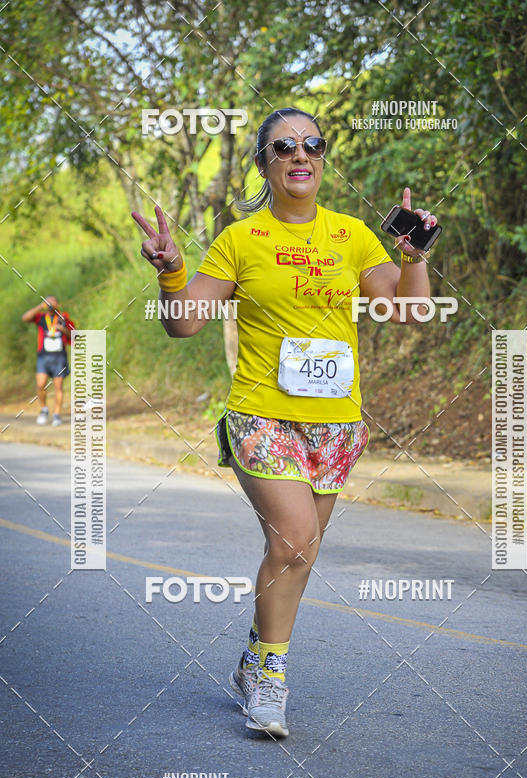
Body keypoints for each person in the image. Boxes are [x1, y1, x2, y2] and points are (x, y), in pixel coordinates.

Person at [132, 106, 438, 739]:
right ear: (265, 165)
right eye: (284, 147)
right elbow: (185, 322)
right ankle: (272, 678)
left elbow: (408, 312)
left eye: (312, 145)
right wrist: (170, 270)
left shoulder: (352, 235)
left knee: (295, 555)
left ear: (322, 159)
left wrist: (412, 256)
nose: (301, 154)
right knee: (295, 540)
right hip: (262, 415)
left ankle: (252, 656)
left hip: (337, 426)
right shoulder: (241, 240)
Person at [22, 296, 75, 426]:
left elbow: (75, 336)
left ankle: (57, 414)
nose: (51, 304)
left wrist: (64, 330)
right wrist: (40, 306)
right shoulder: (40, 317)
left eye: (53, 302)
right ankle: (44, 409)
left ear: (58, 304)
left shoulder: (63, 318)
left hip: (59, 357)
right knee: (41, 385)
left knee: (58, 386)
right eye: (48, 302)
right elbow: (25, 318)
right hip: (43, 357)